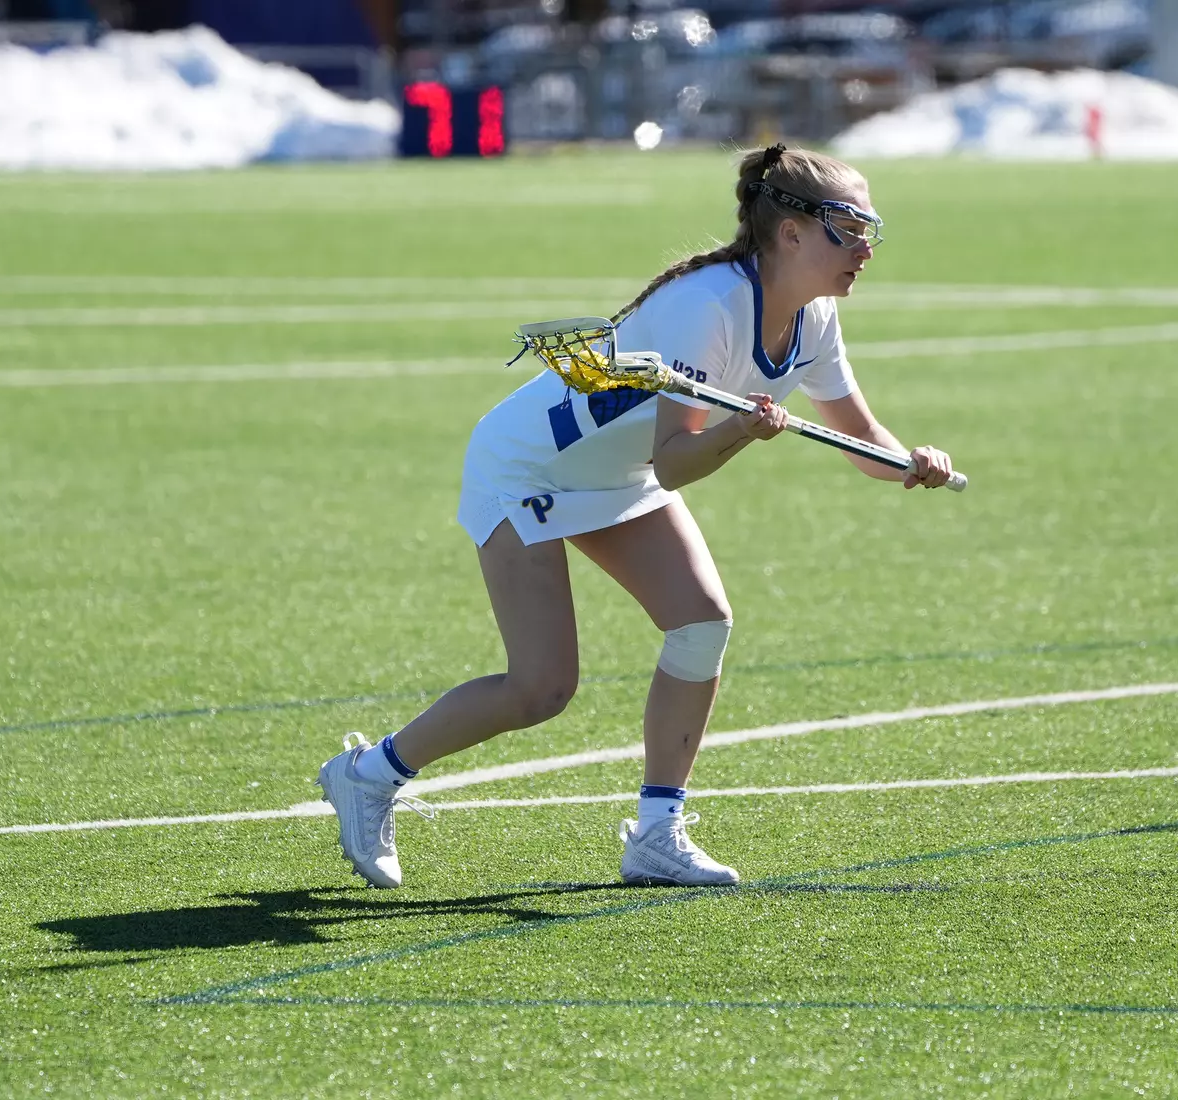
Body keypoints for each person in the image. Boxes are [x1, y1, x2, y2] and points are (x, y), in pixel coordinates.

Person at [316, 143, 956, 889]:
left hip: (613, 474)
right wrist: (740, 432)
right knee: (541, 690)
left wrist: (912, 462)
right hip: (531, 467)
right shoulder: (705, 307)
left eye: (870, 230)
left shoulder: (811, 319)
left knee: (701, 622)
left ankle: (656, 833)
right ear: (790, 232)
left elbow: (860, 441)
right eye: (849, 229)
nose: (865, 251)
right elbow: (675, 464)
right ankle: (369, 772)